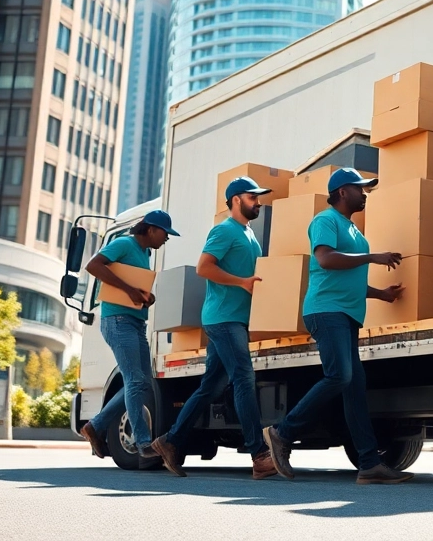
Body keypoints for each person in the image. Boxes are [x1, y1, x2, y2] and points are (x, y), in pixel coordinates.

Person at [264, 168, 410, 485]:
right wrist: (373, 257)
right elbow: (326, 260)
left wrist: (380, 294)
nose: (365, 193)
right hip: (325, 311)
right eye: (361, 188)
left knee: (354, 388)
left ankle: (369, 464)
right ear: (342, 191)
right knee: (339, 376)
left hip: (346, 314)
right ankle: (281, 432)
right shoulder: (325, 221)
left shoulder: (355, 231)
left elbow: (350, 276)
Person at [152, 177, 275, 480]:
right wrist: (242, 283)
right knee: (244, 378)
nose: (257, 202)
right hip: (222, 318)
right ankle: (259, 455)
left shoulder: (248, 234)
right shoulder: (223, 230)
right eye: (252, 197)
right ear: (235, 200)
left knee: (212, 386)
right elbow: (203, 267)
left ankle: (169, 441)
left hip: (235, 317)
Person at [79, 210, 179, 461]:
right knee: (135, 382)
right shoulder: (124, 243)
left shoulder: (145, 253)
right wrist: (130, 290)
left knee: (141, 382)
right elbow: (93, 265)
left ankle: (95, 425)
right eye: (165, 233)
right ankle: (143, 442)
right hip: (117, 321)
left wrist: (145, 296)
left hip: (135, 322)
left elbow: (133, 287)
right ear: (151, 229)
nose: (166, 239)